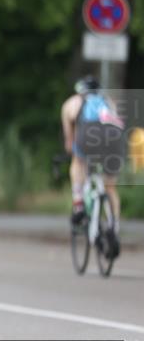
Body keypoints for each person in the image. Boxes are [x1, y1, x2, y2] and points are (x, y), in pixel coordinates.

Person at [61, 75, 123, 256]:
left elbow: (69, 142)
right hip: (114, 137)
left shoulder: (71, 103)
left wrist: (72, 151)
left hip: (88, 134)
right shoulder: (108, 101)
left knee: (77, 162)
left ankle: (79, 203)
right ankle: (114, 227)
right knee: (110, 187)